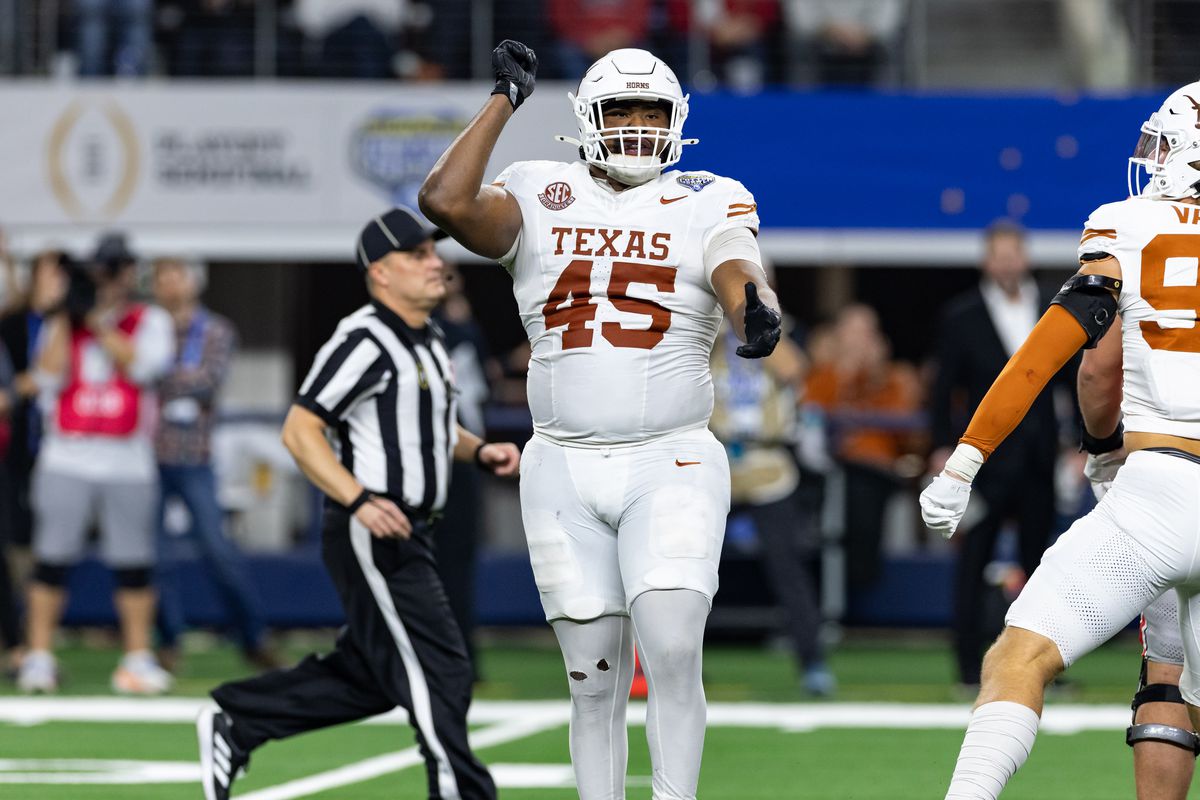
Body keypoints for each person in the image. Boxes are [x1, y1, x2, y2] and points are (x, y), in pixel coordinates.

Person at [419, 41, 782, 800]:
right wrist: (503, 100)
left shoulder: (709, 196)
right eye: (623, 110)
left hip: (670, 457)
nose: (639, 126)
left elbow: (736, 265)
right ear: (588, 117)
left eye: (653, 111)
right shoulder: (537, 188)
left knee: (673, 649)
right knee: (592, 677)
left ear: (677, 119)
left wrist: (753, 308)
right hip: (561, 463)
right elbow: (445, 203)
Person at [920, 80, 1200, 799]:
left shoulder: (1128, 226)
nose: (1152, 160)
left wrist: (968, 459)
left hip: (1160, 489)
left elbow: (1077, 363)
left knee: (1020, 658)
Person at [197, 207, 520, 800]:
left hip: (410, 526)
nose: (435, 264)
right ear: (380, 273)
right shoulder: (365, 339)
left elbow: (430, 426)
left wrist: (479, 451)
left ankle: (240, 718)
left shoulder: (429, 338)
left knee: (374, 674)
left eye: (433, 252)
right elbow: (301, 429)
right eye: (417, 255)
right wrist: (359, 498)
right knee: (442, 666)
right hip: (375, 527)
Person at [18, 235, 175, 695]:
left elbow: (144, 368)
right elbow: (47, 375)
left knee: (134, 564)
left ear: (126, 275)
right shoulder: (63, 323)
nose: (102, 282)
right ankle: (39, 656)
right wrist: (65, 316)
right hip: (67, 454)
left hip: (128, 458)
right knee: (51, 560)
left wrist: (98, 323)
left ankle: (137, 658)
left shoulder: (149, 320)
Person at [928, 223, 1072, 690]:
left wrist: (1078, 443)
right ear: (986, 261)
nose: (1008, 263)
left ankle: (1044, 667)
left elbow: (1073, 379)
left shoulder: (1054, 307)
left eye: (1014, 253)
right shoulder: (961, 315)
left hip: (1039, 458)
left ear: (1025, 257)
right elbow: (942, 389)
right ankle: (968, 668)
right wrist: (942, 449)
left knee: (1042, 566)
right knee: (973, 562)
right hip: (982, 463)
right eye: (1000, 254)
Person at [1077, 323, 1195, 800]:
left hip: (1167, 471)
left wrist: (1102, 448)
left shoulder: (1132, 272)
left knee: (1169, 665)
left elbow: (1097, 371)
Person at [151, 257, 275, 672]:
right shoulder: (147, 326)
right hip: (149, 455)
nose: (171, 286)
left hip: (195, 454)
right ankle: (168, 642)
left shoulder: (215, 329)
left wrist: (157, 375)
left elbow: (207, 381)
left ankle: (253, 637)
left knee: (220, 552)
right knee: (155, 557)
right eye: (163, 279)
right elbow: (138, 375)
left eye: (177, 277)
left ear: (193, 283)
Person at [709, 319, 833, 696]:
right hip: (715, 464)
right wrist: (717, 324)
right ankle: (675, 663)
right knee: (689, 567)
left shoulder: (775, 333)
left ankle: (812, 662)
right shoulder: (707, 330)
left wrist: (755, 323)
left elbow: (795, 369)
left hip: (769, 465)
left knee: (788, 569)